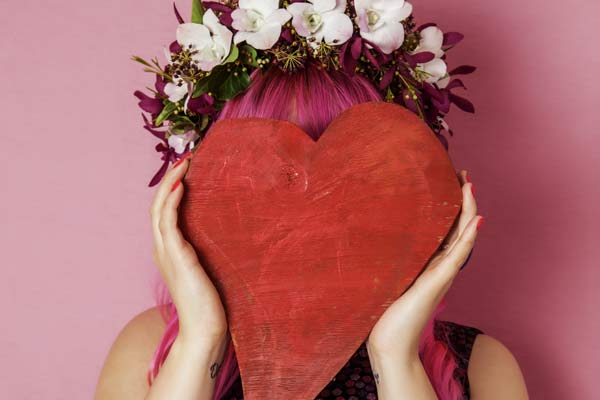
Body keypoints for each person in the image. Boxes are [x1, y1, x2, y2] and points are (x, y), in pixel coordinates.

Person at [95, 64, 529, 400]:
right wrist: (202, 341)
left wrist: (395, 356)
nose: (310, 228)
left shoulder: (480, 366)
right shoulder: (151, 347)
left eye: (356, 190)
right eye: (264, 191)